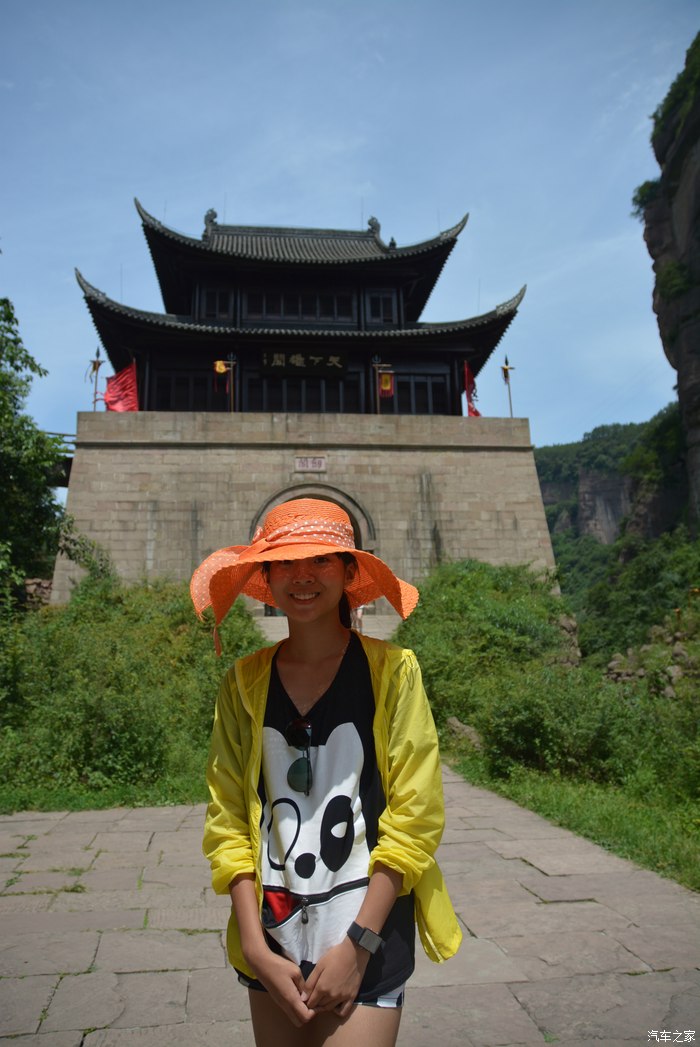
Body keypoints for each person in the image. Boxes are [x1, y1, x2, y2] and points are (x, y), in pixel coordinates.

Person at [191, 498, 461, 1047]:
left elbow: (416, 816)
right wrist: (254, 947)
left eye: (321, 560)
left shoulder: (394, 673)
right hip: (273, 938)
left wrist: (358, 946)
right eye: (286, 563)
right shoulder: (242, 683)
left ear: (348, 571)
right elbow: (228, 819)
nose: (303, 576)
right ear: (267, 577)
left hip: (367, 936)